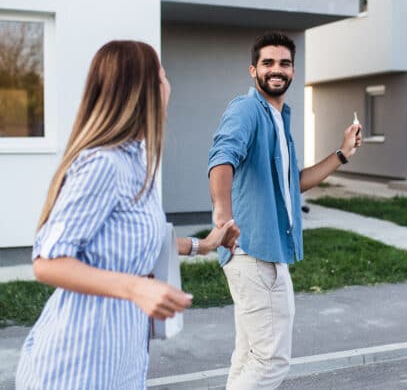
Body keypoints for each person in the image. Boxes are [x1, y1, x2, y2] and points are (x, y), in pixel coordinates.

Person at [15, 40, 238, 390]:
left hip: (122, 361)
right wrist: (137, 288)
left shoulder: (136, 160)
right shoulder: (103, 164)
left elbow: (132, 240)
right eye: (162, 77)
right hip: (76, 368)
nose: (169, 86)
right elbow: (47, 261)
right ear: (143, 90)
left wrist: (204, 245)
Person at [208, 32, 362, 389]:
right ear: (253, 70)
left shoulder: (279, 119)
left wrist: (342, 153)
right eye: (268, 63)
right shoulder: (247, 109)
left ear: (293, 71)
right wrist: (222, 216)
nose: (277, 70)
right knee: (272, 361)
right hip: (254, 251)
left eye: (284, 63)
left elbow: (294, 182)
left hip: (269, 251)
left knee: (248, 356)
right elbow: (221, 159)